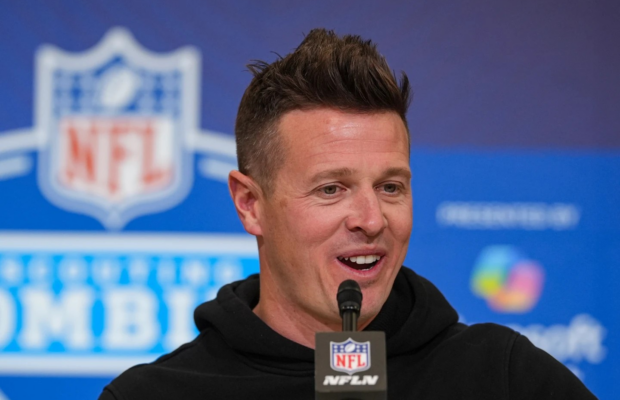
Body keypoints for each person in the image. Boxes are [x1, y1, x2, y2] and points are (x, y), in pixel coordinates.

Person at [99, 29, 596, 399]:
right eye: (331, 189)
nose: (371, 220)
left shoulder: (504, 377)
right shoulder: (152, 395)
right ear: (250, 204)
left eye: (390, 187)